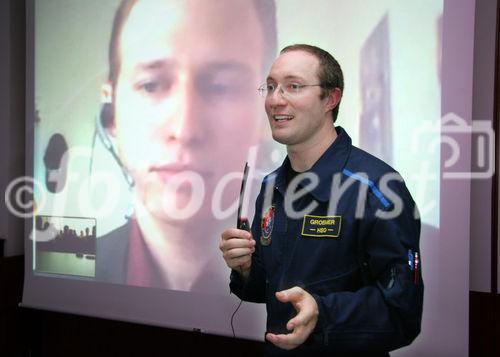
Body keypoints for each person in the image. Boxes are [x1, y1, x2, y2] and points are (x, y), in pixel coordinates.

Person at [220, 44, 423, 356]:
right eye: (271, 87)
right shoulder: (271, 185)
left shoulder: (377, 187)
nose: (275, 99)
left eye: (294, 86)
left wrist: (322, 313)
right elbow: (269, 288)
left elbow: (402, 313)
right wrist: (246, 268)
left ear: (331, 98)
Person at [95, 0, 277, 292]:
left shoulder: (312, 274)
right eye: (151, 85)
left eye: (221, 86)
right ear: (111, 110)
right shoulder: (78, 270)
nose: (184, 129)